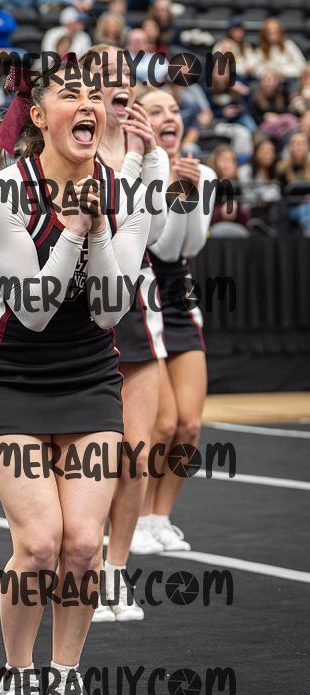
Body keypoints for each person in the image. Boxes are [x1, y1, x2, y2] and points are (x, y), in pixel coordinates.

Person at [0, 57, 152, 695]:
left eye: (95, 95)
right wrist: (73, 228)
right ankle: (17, 675)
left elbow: (109, 310)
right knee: (40, 541)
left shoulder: (128, 194)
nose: (89, 104)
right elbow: (35, 311)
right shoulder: (3, 194)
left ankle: (66, 673)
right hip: (8, 374)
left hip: (89, 374)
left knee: (81, 544)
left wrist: (98, 228)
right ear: (40, 117)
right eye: (71, 94)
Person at [78, 44, 169, 622]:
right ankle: (83, 567)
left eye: (125, 75)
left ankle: (116, 571)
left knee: (136, 454)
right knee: (93, 457)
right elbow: (103, 221)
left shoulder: (142, 145)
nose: (121, 83)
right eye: (106, 74)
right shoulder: (78, 142)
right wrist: (133, 160)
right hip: (80, 304)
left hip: (133, 303)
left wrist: (152, 157)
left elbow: (151, 234)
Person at [130, 89, 217, 552]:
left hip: (180, 298)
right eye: (156, 110)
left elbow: (188, 247)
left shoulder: (204, 174)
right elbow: (157, 246)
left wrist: (190, 192)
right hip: (145, 294)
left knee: (189, 426)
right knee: (161, 426)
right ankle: (137, 518)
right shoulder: (141, 170)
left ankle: (161, 517)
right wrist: (171, 190)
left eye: (174, 110)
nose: (169, 117)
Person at [277, 131, 310, 235]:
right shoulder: (281, 168)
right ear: (290, 147)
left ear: (307, 146)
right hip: (291, 208)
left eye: (302, 143)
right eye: (295, 143)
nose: (299, 147)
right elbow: (281, 193)